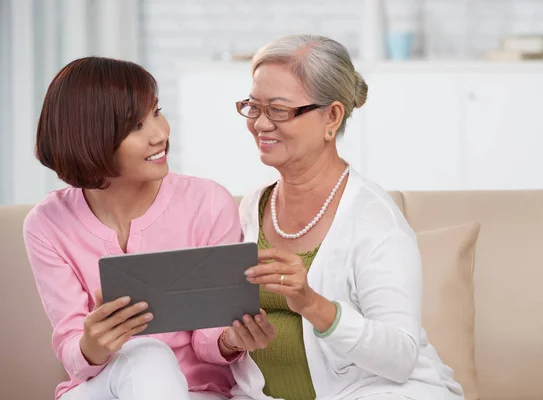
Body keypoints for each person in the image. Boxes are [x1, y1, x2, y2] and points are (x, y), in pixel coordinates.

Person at [23, 56, 275, 400]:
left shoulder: (206, 203)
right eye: (135, 126)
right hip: (101, 388)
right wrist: (92, 345)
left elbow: (209, 336)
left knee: (152, 358)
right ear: (91, 138)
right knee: (144, 356)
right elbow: (73, 350)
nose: (160, 134)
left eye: (156, 112)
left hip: (194, 391)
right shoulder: (47, 223)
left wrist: (230, 340)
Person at [229, 34, 465, 400]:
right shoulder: (251, 208)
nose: (260, 124)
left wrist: (312, 303)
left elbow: (400, 357)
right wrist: (229, 342)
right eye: (253, 107)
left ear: (332, 116)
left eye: (278, 110)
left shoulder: (373, 217)